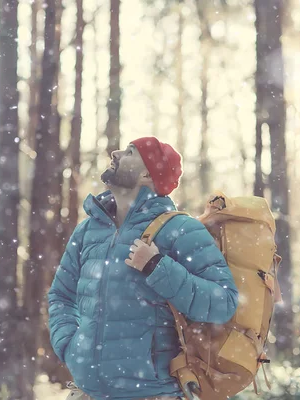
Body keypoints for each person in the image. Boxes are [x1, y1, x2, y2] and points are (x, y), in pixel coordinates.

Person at [47, 137, 238, 400]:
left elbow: (224, 302)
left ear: (148, 172)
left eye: (129, 152)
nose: (115, 153)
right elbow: (61, 296)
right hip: (87, 393)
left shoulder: (180, 230)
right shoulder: (88, 230)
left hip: (152, 393)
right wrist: (69, 346)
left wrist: (157, 267)